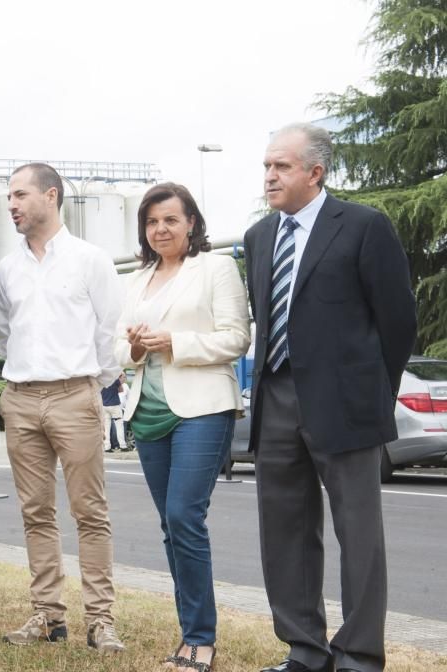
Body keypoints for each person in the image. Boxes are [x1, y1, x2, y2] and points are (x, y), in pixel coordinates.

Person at [245, 123, 416, 672]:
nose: (270, 176)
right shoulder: (258, 238)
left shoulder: (364, 227)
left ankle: (360, 654)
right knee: (284, 530)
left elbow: (398, 321)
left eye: (282, 167)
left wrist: (373, 391)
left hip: (346, 403)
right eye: (267, 166)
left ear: (315, 172)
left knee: (358, 534)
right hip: (275, 398)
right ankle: (305, 649)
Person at [114, 182, 251, 672]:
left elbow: (236, 338)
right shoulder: (137, 277)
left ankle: (200, 641)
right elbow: (117, 349)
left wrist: (173, 341)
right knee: (172, 528)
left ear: (191, 222)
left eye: (170, 219)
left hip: (201, 407)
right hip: (148, 412)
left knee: (184, 517)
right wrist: (133, 345)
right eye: (151, 222)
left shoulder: (215, 268)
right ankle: (188, 633)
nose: (160, 229)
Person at [0, 162, 126, 655]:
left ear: (50, 196)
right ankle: (49, 616)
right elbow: (6, 332)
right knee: (35, 512)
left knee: (90, 512)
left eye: (19, 195)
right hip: (22, 398)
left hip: (76, 395)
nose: (12, 205)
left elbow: (109, 329)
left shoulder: (90, 260)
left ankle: (100, 620)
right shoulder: (8, 268)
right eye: (9, 197)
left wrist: (93, 382)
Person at [100, 377, 123, 452]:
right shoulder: (115, 378)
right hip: (115, 405)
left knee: (106, 427)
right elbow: (121, 390)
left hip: (104, 405)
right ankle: (123, 445)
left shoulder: (101, 379)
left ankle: (107, 447)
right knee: (119, 425)